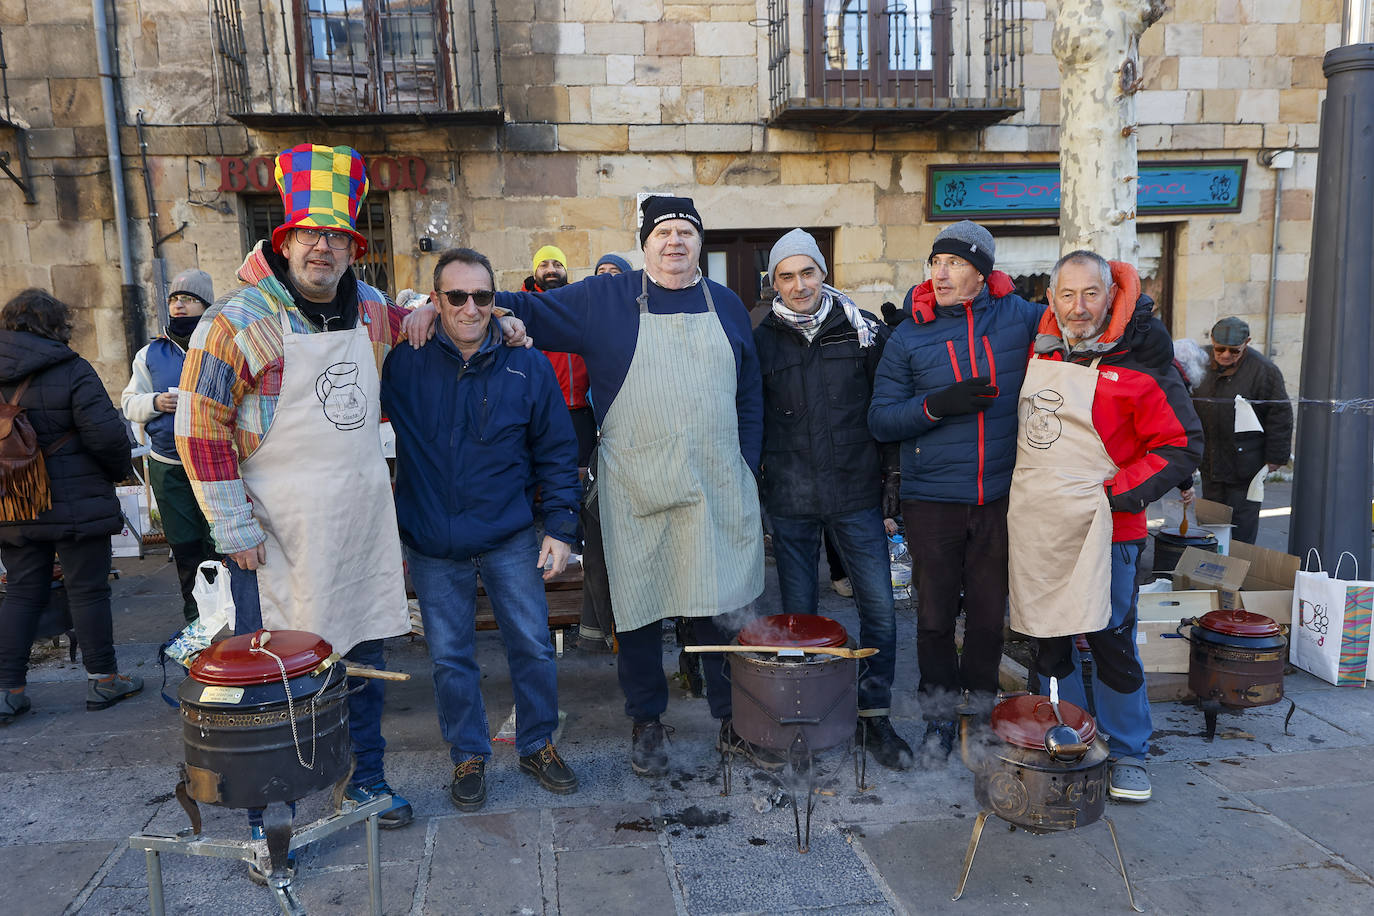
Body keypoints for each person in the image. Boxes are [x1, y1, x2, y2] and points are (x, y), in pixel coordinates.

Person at [403, 194, 765, 777]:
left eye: (686, 233)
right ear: (644, 242)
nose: (675, 242)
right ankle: (647, 722)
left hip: (715, 487)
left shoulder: (726, 305)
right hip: (637, 490)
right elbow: (509, 302)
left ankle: (732, 720)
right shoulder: (605, 298)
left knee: (719, 609)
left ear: (701, 243)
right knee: (640, 612)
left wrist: (746, 464)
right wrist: (427, 305)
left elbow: (750, 395)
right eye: (663, 232)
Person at [177, 144, 418, 835]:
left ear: (351, 248)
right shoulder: (235, 321)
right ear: (284, 242)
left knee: (363, 661)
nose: (323, 248)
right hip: (275, 536)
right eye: (310, 235)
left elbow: (419, 325)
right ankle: (268, 821)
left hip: (357, 525)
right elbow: (199, 428)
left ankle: (364, 783)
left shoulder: (372, 310)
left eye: (336, 238)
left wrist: (493, 322)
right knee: (274, 682)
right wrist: (232, 527)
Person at [382, 247, 581, 811]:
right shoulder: (404, 362)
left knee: (534, 647)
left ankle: (538, 743)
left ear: (496, 302)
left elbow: (557, 452)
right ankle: (468, 754)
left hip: (509, 536)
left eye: (483, 297)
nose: (470, 308)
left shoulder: (528, 365)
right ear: (435, 299)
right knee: (449, 656)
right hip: (432, 540)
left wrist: (561, 527)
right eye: (455, 296)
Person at [1009, 251, 1201, 804]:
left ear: (1111, 296)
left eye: (1090, 294)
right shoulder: (1037, 352)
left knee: (1111, 640)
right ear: (1052, 300)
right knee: (1051, 638)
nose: (1078, 307)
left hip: (1110, 530)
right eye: (1066, 295)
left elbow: (1181, 447)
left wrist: (1113, 495)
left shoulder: (1142, 364)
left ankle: (1127, 751)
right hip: (1043, 530)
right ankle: (1068, 736)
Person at [867, 221, 1048, 763]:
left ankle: (987, 712)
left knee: (990, 617)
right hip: (933, 501)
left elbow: (1086, 326)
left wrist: (1135, 316)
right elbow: (880, 420)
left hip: (999, 496)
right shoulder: (910, 334)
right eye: (934, 262)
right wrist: (936, 405)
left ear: (981, 272)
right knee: (934, 617)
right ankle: (939, 718)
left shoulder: (1021, 317)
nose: (939, 273)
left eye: (953, 263)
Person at [754, 228, 913, 769]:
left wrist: (893, 483)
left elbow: (889, 411)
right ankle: (809, 719)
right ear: (774, 282)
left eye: (808, 272)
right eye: (787, 275)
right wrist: (760, 496)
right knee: (799, 623)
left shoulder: (864, 331)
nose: (799, 285)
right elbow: (749, 421)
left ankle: (875, 720)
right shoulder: (760, 338)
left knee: (881, 615)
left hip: (855, 494)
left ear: (824, 272)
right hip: (792, 501)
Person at [0, 289, 140, 723]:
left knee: (21, 591)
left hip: (15, 499)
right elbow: (105, 435)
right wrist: (117, 470)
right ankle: (103, 680)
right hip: (76, 500)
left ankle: (9, 689)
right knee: (88, 590)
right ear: (58, 325)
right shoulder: (72, 368)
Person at [121, 269, 219, 623]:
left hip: (214, 462)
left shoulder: (219, 344)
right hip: (169, 464)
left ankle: (230, 616)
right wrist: (155, 402)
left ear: (204, 305)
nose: (179, 304)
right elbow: (130, 402)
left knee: (219, 544)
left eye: (188, 299)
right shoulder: (150, 353)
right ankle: (196, 620)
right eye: (175, 299)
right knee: (185, 545)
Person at [1190, 317, 1292, 543]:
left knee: (1242, 525)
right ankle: (1212, 569)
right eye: (1219, 349)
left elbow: (1280, 415)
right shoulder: (1199, 360)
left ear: (1247, 343)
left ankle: (1238, 569)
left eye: (1234, 351)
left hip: (1247, 463)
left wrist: (1275, 457)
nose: (1225, 355)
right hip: (1211, 459)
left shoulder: (1264, 371)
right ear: (1212, 341)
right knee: (1212, 523)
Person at [525, 245, 596, 466]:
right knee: (545, 471)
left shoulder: (580, 302)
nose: (551, 270)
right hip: (542, 410)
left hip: (582, 412)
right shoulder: (523, 305)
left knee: (584, 473)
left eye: (557, 264)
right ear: (534, 271)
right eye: (543, 265)